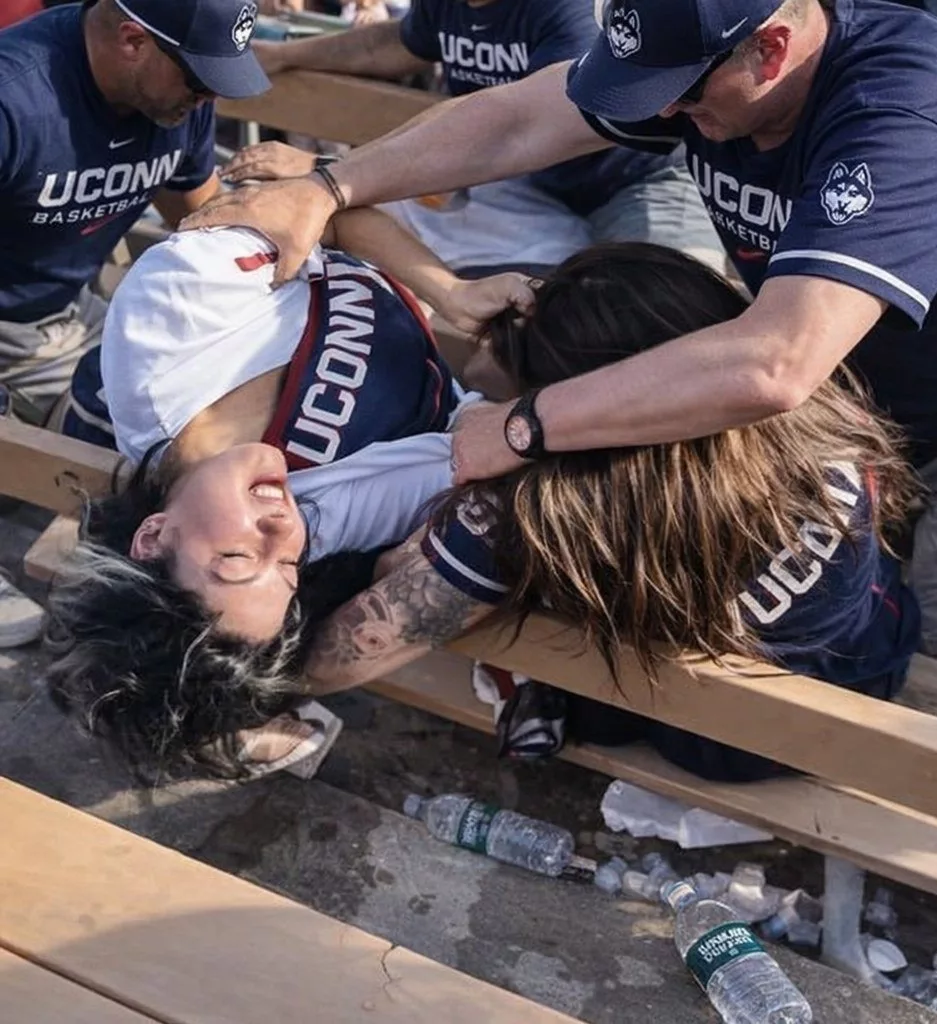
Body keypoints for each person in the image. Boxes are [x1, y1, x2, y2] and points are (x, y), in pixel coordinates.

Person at [185, 0, 937, 686]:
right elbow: (517, 119)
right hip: (858, 381)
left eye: (683, 94)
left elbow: (775, 362)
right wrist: (331, 187)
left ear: (771, 49)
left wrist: (524, 426)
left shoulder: (904, 120)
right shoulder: (712, 51)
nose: (660, 114)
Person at [295, 243, 921, 782]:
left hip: (732, 740)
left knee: (415, 568)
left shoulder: (537, 512)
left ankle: (539, 697)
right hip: (880, 630)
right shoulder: (799, 394)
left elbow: (339, 657)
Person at [44, 205, 529, 776]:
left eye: (238, 557)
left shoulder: (169, 322)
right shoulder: (323, 516)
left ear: (153, 535)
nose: (284, 532)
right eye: (289, 569)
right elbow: (491, 461)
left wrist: (447, 290)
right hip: (488, 319)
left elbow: (326, 211)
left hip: (435, 237)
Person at [0, 0, 270, 647]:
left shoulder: (173, 103)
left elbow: (197, 217)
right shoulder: (16, 100)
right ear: (132, 41)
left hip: (68, 314)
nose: (208, 99)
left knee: (185, 433)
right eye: (200, 79)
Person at [228, 0, 725, 275]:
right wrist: (288, 55)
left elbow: (516, 123)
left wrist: (326, 173)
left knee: (657, 312)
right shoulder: (448, 7)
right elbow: (392, 44)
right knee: (356, 229)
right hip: (518, 180)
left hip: (629, 180)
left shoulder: (565, 11)